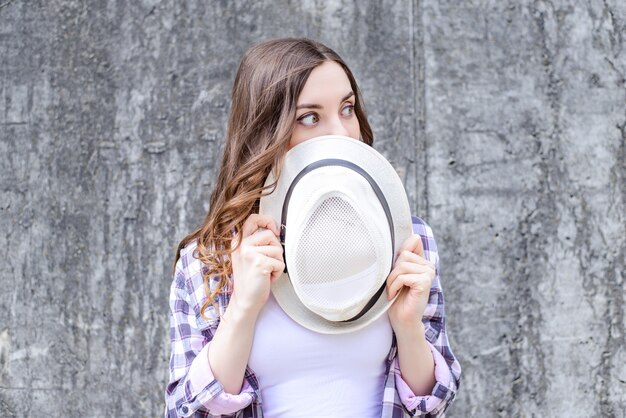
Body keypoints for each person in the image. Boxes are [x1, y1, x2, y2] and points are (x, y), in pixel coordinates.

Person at [164, 38, 461, 418]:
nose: (341, 132)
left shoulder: (406, 240)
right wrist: (242, 307)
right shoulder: (208, 261)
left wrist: (407, 328)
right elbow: (189, 412)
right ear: (264, 132)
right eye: (310, 117)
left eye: (347, 109)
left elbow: (432, 403)